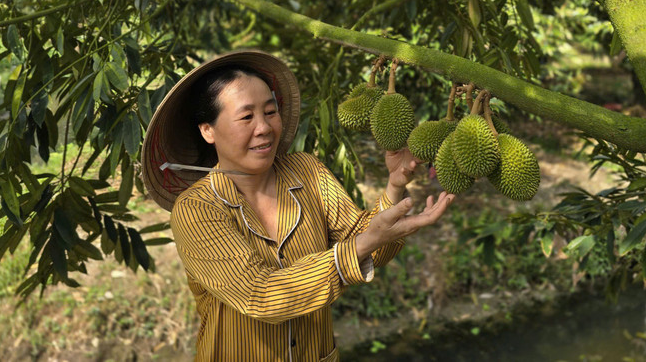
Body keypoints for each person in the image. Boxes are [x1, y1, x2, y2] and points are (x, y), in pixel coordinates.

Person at [141, 50, 455, 362]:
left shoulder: (306, 171)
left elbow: (367, 246)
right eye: (246, 117)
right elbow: (260, 295)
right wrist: (364, 243)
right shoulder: (196, 209)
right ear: (207, 130)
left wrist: (394, 186)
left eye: (270, 111)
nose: (264, 127)